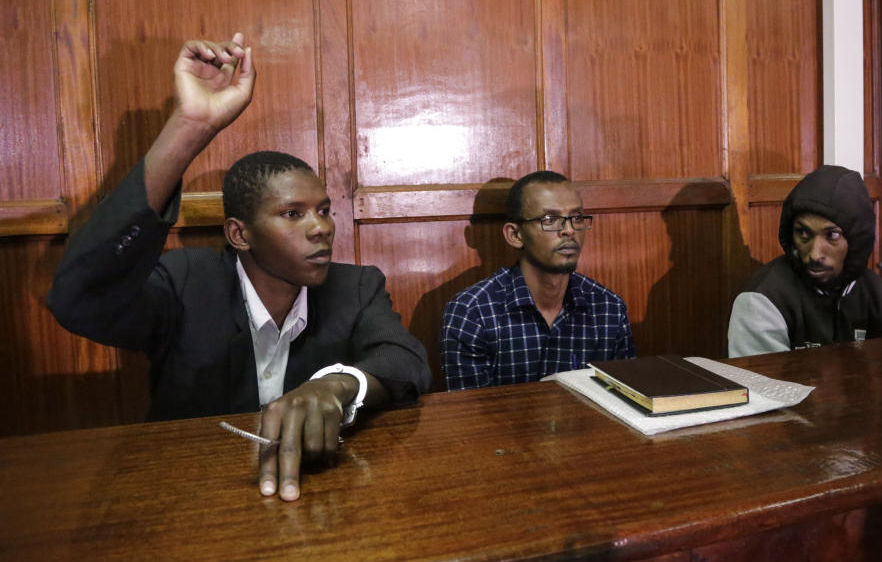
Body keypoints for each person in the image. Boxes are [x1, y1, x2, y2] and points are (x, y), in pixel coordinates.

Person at [47, 33, 430, 501]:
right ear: (239, 234)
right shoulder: (188, 281)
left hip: (319, 497)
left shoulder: (355, 285)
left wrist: (337, 384)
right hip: (193, 495)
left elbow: (406, 361)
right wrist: (189, 126)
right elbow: (79, 300)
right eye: (293, 214)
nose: (321, 228)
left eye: (324, 210)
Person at [441, 171, 636, 389]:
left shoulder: (608, 307)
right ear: (515, 235)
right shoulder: (473, 312)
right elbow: (470, 413)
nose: (569, 230)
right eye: (550, 220)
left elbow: (623, 402)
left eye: (577, 218)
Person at [727, 165, 882, 357]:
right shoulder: (763, 300)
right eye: (803, 233)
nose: (815, 254)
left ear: (857, 241)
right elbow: (761, 386)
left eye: (832, 235)